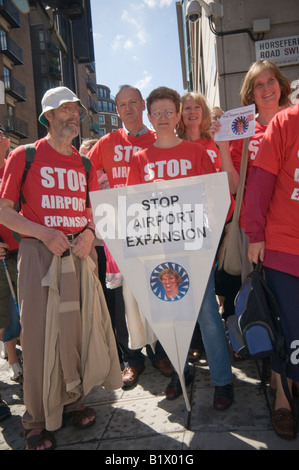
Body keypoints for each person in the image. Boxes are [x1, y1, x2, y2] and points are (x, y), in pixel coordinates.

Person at [0, 86, 122, 450]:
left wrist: (87, 232)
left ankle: (74, 402)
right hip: (39, 254)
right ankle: (37, 419)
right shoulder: (24, 156)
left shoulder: (83, 163)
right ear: (47, 116)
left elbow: (89, 213)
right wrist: (42, 232)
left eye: (76, 111)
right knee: (38, 338)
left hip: (79, 254)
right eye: (65, 111)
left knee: (78, 330)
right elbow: (4, 210)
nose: (73, 116)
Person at [126, 86, 234, 408]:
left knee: (207, 316)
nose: (162, 118)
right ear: (149, 116)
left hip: (195, 247)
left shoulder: (196, 153)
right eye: (156, 113)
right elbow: (133, 206)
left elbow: (214, 199)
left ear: (177, 116)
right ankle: (180, 372)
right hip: (161, 250)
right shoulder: (140, 159)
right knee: (170, 314)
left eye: (167, 112)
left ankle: (223, 381)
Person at [88, 85, 174, 389]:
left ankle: (161, 352)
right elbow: (86, 172)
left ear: (142, 106)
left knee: (157, 290)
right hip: (120, 232)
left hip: (154, 229)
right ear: (117, 108)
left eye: (132, 103)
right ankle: (132, 359)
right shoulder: (106, 142)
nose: (127, 109)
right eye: (121, 104)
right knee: (124, 299)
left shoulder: (157, 138)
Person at [245, 102, 299, 440]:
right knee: (290, 332)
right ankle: (283, 399)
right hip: (284, 248)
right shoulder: (285, 122)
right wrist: (255, 234)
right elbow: (260, 183)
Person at [211, 59, 291, 281]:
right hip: (254, 229)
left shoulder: (294, 123)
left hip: (291, 226)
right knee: (260, 298)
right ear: (251, 93)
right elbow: (234, 186)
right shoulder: (243, 132)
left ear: (280, 85)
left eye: (271, 81)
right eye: (258, 85)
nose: (266, 89)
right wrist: (224, 148)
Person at [0, 124, 21, 420]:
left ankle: (16, 359)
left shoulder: (16, 166)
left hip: (25, 251)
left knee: (19, 311)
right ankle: (13, 360)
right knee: (3, 313)